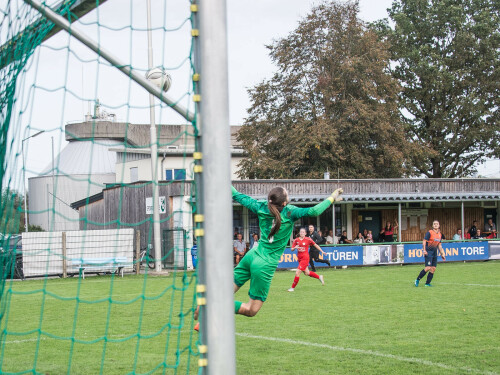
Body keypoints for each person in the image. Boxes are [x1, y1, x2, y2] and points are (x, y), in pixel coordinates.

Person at [221, 185, 342, 319]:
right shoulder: (290, 212)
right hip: (264, 263)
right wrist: (332, 197)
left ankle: (208, 310)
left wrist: (220, 175)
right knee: (251, 309)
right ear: (284, 202)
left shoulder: (261, 206)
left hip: (252, 255)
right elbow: (314, 211)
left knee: (225, 292)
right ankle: (213, 309)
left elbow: (236, 194)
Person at [288, 228, 326, 292]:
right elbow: (291, 249)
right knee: (306, 273)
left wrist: (322, 251)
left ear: (305, 233)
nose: (302, 233)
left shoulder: (308, 239)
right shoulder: (296, 240)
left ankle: (292, 288)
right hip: (299, 259)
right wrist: (294, 247)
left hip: (305, 258)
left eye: (303, 232)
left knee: (297, 272)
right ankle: (319, 277)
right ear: (299, 233)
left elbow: (315, 245)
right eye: (301, 232)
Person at [414, 220, 446, 287]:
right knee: (428, 267)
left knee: (433, 268)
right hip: (428, 252)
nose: (436, 225)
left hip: (434, 252)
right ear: (432, 225)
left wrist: (442, 254)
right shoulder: (430, 232)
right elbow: (424, 241)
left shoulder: (440, 234)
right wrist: (424, 250)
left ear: (439, 225)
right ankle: (417, 279)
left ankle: (427, 283)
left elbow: (439, 245)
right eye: (434, 224)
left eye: (437, 224)